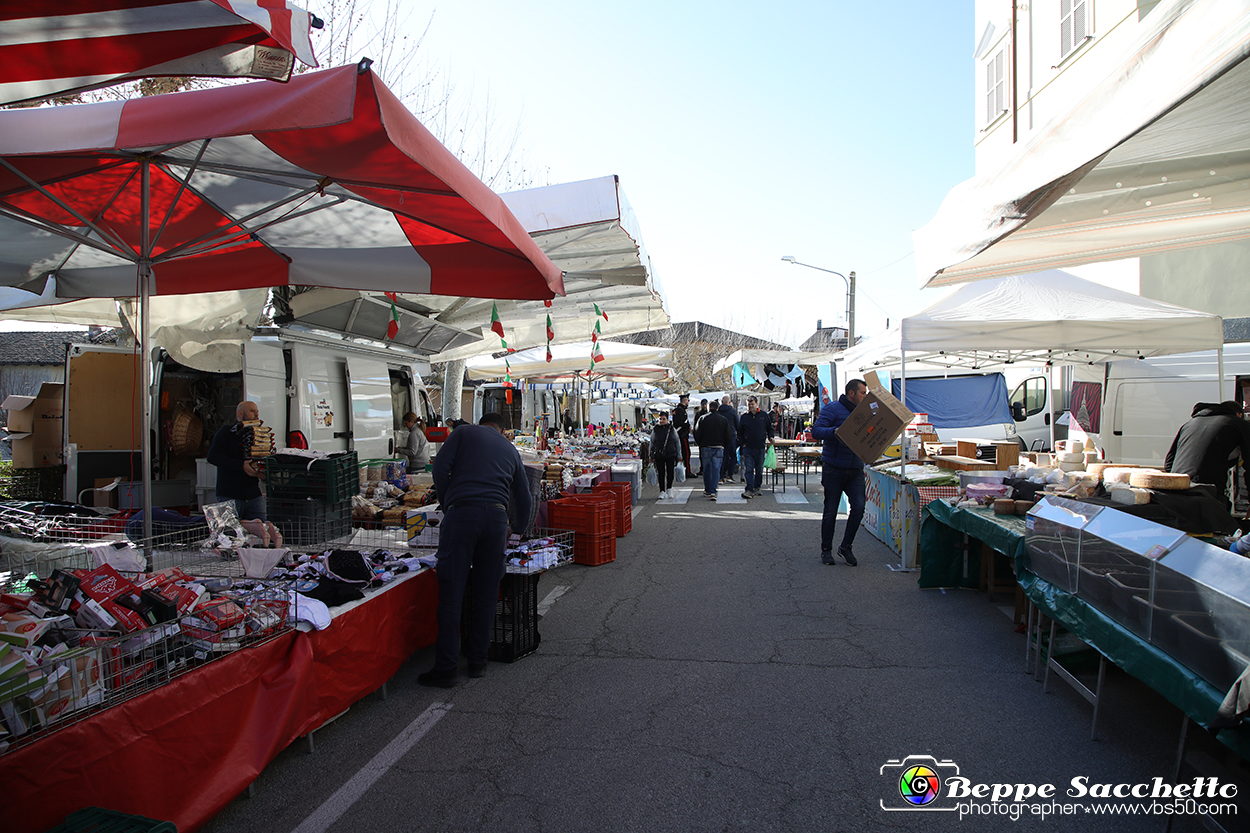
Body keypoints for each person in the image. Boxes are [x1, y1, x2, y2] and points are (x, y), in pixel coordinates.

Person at [419, 412, 532, 687]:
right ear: (503, 431)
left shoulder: (463, 432)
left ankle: (446, 668)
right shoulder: (510, 449)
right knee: (485, 594)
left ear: (482, 424)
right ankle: (478, 662)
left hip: (462, 517)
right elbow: (525, 497)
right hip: (496, 520)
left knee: (452, 594)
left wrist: (449, 505)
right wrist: (515, 528)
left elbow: (439, 469)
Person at [811, 379, 869, 566]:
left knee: (859, 508)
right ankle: (826, 550)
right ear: (851, 393)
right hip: (834, 468)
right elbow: (816, 431)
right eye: (862, 393)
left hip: (856, 468)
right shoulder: (832, 409)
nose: (865, 396)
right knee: (831, 512)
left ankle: (846, 546)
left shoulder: (865, 412)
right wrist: (835, 431)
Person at [1165, 400, 1250, 511]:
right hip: (1208, 493)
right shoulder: (1238, 423)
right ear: (1239, 414)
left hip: (1177, 491)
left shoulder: (1189, 424)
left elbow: (1168, 464)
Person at [207, 400, 266, 522]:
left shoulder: (259, 435)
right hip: (230, 494)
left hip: (253, 494)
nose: (256, 414)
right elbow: (213, 456)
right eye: (252, 411)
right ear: (240, 413)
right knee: (231, 533)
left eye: (257, 411)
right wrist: (241, 466)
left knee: (263, 530)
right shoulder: (226, 432)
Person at [694, 401, 733, 501]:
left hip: (706, 446)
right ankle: (713, 491)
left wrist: (700, 444)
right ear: (718, 408)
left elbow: (696, 432)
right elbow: (728, 435)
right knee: (716, 469)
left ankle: (707, 490)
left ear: (709, 407)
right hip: (719, 446)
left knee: (706, 469)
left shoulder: (702, 418)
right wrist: (724, 444)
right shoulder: (723, 419)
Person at [737, 396, 774, 499]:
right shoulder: (745, 417)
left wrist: (771, 437)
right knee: (748, 469)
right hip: (748, 447)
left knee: (759, 469)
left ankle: (757, 487)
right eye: (749, 404)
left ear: (756, 404)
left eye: (752, 404)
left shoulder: (763, 415)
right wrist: (742, 442)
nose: (751, 406)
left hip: (760, 447)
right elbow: (739, 432)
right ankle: (749, 489)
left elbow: (769, 428)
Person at [650, 411, 681, 499]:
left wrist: (679, 455)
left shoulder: (671, 429)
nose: (662, 421)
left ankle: (669, 488)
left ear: (667, 419)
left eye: (664, 419)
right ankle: (662, 491)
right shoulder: (655, 429)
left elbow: (677, 442)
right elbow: (651, 443)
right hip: (659, 454)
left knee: (670, 472)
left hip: (670, 453)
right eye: (660, 419)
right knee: (661, 473)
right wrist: (650, 456)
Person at [718, 396, 740, 482]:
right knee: (733, 456)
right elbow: (737, 424)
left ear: (722, 402)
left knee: (722, 456)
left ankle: (721, 476)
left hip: (721, 436)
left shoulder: (718, 411)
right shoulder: (732, 411)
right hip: (731, 436)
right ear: (729, 402)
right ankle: (730, 476)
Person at [673, 393, 692, 476]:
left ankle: (683, 470)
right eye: (688, 400)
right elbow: (679, 423)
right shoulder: (680, 410)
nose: (688, 402)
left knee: (682, 453)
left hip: (681, 434)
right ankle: (687, 471)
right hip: (682, 434)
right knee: (686, 453)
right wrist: (687, 426)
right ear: (685, 400)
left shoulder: (680, 410)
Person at [692, 398, 711, 476]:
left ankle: (707, 469)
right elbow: (696, 426)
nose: (704, 406)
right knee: (702, 455)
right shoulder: (699, 414)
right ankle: (702, 469)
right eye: (703, 404)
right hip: (702, 438)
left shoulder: (710, 413)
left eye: (705, 404)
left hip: (709, 437)